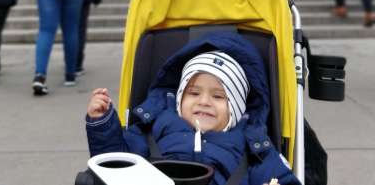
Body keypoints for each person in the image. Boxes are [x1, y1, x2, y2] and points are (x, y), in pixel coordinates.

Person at [85, 32, 300, 185]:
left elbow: (279, 177)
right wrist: (102, 124)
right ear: (179, 98)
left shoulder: (254, 146)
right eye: (194, 93)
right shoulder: (151, 130)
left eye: (218, 96)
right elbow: (115, 168)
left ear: (236, 108)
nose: (203, 101)